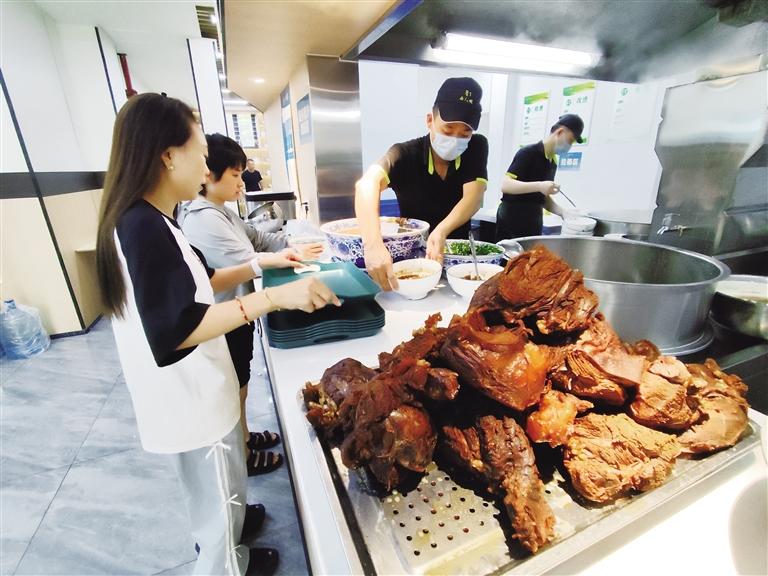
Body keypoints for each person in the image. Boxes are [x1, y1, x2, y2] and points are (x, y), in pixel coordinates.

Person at [96, 93, 339, 576]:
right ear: (168, 156)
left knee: (223, 482)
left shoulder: (153, 219)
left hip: (196, 392)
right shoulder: (143, 226)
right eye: (202, 154)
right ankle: (227, 564)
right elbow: (177, 329)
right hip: (190, 399)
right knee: (213, 499)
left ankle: (235, 529)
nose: (207, 168)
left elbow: (203, 281)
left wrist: (263, 266)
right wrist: (272, 298)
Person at [181, 133, 323, 476]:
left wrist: (293, 244)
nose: (241, 182)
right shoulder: (202, 219)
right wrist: (284, 257)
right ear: (209, 175)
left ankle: (244, 436)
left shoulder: (222, 212)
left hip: (237, 315)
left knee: (240, 383)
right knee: (233, 388)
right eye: (234, 175)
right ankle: (241, 453)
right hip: (223, 319)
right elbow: (249, 259)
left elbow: (259, 239)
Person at [355, 77, 488, 291]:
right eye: (447, 130)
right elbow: (366, 185)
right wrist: (372, 245)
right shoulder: (405, 154)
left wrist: (441, 231)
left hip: (458, 266)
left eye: (465, 133)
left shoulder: (477, 146)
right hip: (411, 264)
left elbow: (474, 197)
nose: (455, 139)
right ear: (429, 120)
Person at [495, 114, 584, 240]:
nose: (569, 146)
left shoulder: (552, 161)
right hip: (512, 218)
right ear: (560, 132)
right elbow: (506, 185)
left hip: (533, 219)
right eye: (570, 141)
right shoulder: (529, 152)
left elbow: (542, 198)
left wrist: (563, 212)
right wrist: (539, 186)